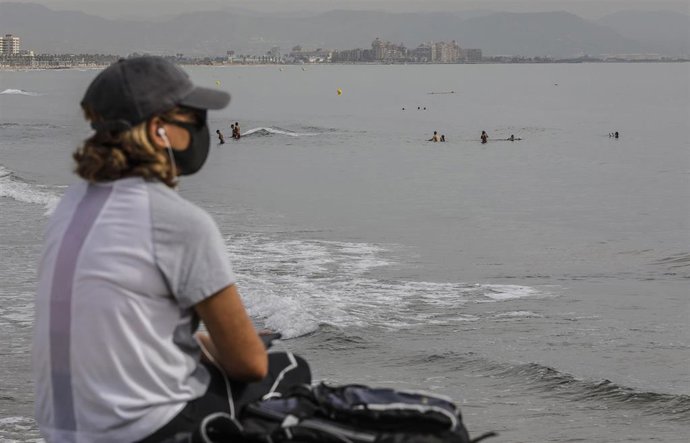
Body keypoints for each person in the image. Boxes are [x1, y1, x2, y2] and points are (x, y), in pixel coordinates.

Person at [31, 56, 310, 443]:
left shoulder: (71, 206)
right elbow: (249, 363)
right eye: (192, 116)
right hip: (139, 433)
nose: (200, 127)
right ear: (159, 130)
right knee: (288, 370)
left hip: (62, 429)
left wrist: (197, 342)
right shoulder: (176, 221)